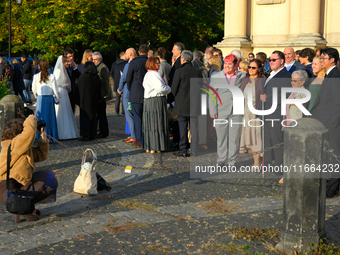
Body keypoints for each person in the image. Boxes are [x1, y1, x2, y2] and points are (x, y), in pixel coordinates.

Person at [0, 115, 58, 222]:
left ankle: (26, 208)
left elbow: (40, 156)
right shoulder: (14, 144)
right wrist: (31, 118)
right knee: (48, 184)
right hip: (10, 187)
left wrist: (43, 140)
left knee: (49, 178)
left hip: (19, 183)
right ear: (18, 134)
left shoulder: (20, 146)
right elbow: (29, 133)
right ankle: (24, 209)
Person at [310, 48, 340, 199]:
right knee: (327, 155)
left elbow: (337, 103)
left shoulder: (335, 76)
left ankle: (333, 187)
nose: (321, 60)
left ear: (332, 60)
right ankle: (327, 184)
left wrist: (333, 123)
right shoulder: (329, 74)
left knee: (334, 155)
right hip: (324, 122)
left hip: (332, 124)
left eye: (323, 58)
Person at [209, 54, 246, 166]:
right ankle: (221, 159)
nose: (227, 66)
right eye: (226, 64)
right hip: (221, 110)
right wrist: (212, 111)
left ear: (235, 65)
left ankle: (232, 161)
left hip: (237, 111)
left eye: (230, 64)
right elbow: (212, 94)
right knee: (221, 137)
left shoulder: (242, 75)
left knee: (234, 138)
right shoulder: (216, 77)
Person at [258, 50, 291, 167]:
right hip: (266, 113)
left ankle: (278, 165)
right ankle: (266, 163)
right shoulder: (270, 74)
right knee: (266, 141)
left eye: (273, 60)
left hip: (276, 113)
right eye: (269, 60)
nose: (270, 62)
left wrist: (268, 99)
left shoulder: (286, 75)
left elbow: (285, 94)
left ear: (281, 61)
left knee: (276, 141)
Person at [172, 50, 203, 157]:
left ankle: (183, 150)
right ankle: (194, 150)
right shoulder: (197, 72)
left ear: (183, 59)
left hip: (182, 103)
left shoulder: (179, 72)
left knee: (182, 127)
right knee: (194, 127)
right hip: (195, 102)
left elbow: (173, 89)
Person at [239, 59, 265, 169]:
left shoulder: (262, 80)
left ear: (258, 69)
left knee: (256, 137)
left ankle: (256, 162)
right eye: (249, 67)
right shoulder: (245, 79)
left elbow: (265, 95)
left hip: (256, 113)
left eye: (253, 68)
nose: (250, 69)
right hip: (245, 113)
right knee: (248, 138)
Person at [143, 57, 171, 153]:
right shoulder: (155, 74)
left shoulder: (148, 74)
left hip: (149, 101)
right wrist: (169, 88)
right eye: (157, 63)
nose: (159, 65)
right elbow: (161, 88)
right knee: (157, 122)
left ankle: (151, 145)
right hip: (156, 100)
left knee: (151, 123)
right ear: (152, 64)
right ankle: (157, 146)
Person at [126, 44, 149, 147]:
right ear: (147, 52)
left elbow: (128, 79)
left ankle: (139, 139)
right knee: (147, 118)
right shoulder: (150, 61)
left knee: (137, 118)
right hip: (148, 93)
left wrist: (132, 90)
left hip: (136, 93)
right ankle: (148, 139)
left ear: (139, 52)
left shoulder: (134, 62)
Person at [32, 59, 59, 142]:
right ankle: (51, 136)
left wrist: (37, 96)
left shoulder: (36, 76)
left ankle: (40, 136)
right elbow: (55, 90)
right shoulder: (51, 76)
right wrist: (57, 99)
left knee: (40, 118)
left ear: (39, 67)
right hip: (49, 99)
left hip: (41, 99)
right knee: (50, 119)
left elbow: (33, 88)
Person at [53, 55, 79, 140]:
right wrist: (64, 85)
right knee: (61, 112)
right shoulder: (58, 71)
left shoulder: (64, 70)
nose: (68, 63)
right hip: (61, 92)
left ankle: (68, 133)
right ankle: (61, 133)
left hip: (64, 93)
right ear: (62, 62)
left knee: (66, 112)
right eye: (67, 62)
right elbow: (55, 83)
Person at [77, 62, 102, 141]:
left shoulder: (82, 77)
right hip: (94, 100)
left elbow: (78, 89)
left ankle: (85, 134)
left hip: (84, 100)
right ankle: (92, 133)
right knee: (93, 117)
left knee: (84, 117)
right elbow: (99, 90)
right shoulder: (96, 77)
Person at [118, 48, 137, 143]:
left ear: (130, 54)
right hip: (136, 92)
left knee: (129, 114)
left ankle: (133, 135)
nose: (124, 55)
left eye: (125, 53)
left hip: (127, 92)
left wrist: (119, 88)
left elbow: (123, 78)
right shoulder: (139, 63)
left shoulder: (128, 65)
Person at [93, 51, 112, 138]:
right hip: (99, 95)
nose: (94, 61)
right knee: (100, 114)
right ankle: (103, 131)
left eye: (95, 59)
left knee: (101, 115)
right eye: (93, 59)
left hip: (101, 96)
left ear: (100, 59)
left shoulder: (102, 68)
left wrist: (102, 96)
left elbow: (104, 84)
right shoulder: (99, 66)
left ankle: (103, 132)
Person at [63, 48, 81, 113]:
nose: (71, 58)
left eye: (72, 56)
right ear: (65, 56)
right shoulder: (63, 67)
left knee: (72, 110)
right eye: (70, 56)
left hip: (73, 91)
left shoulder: (73, 65)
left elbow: (79, 76)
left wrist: (75, 68)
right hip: (66, 92)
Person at [111, 52, 127, 116]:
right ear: (123, 56)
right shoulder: (125, 64)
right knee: (124, 97)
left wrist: (115, 79)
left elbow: (111, 73)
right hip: (124, 83)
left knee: (117, 98)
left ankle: (116, 112)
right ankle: (123, 112)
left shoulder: (114, 64)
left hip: (116, 83)